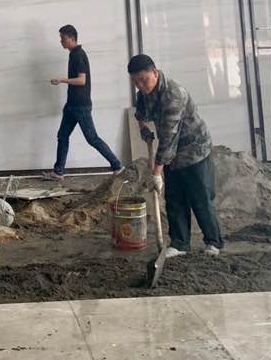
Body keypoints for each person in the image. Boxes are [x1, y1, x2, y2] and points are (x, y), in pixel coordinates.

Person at [127, 53, 224, 258]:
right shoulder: (144, 93)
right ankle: (180, 243)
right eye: (136, 82)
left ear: (155, 73)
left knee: (200, 198)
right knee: (174, 198)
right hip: (172, 155)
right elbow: (140, 113)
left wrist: (156, 173)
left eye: (143, 80)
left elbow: (169, 139)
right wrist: (143, 128)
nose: (141, 86)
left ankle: (213, 242)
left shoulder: (173, 95)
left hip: (195, 151)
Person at [45, 24, 123, 180]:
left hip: (81, 106)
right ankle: (58, 172)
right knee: (62, 135)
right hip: (72, 105)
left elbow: (82, 80)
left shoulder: (79, 55)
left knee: (92, 138)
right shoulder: (73, 54)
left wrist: (61, 80)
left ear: (71, 38)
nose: (61, 41)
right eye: (61, 38)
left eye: (63, 38)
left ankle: (117, 166)